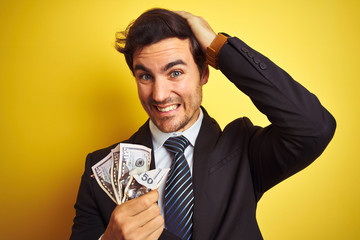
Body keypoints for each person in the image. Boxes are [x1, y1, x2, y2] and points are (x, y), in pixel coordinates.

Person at [70, 8, 336, 240]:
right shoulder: (99, 169)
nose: (159, 94)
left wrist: (219, 47)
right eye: (145, 76)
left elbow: (314, 126)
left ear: (204, 73)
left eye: (175, 72)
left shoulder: (244, 151)